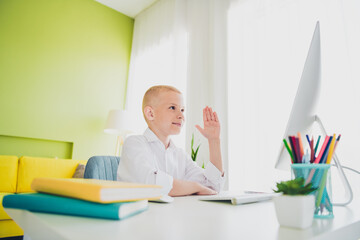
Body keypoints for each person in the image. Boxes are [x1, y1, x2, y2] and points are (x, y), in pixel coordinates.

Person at [117, 85, 225, 196]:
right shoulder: (134, 144)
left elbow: (212, 187)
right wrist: (195, 187)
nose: (181, 116)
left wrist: (214, 140)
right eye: (172, 108)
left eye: (182, 110)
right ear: (150, 113)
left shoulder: (180, 155)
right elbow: (151, 184)